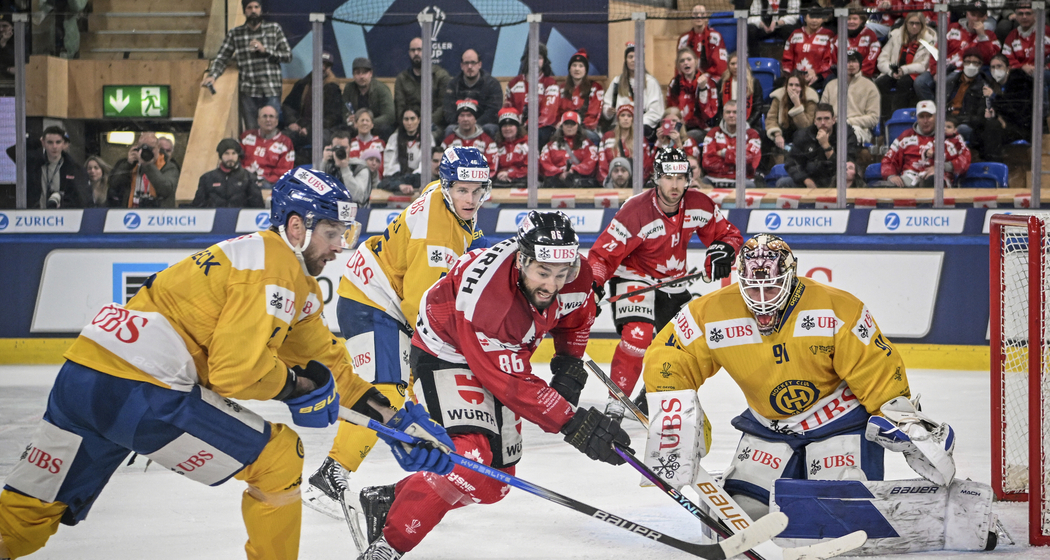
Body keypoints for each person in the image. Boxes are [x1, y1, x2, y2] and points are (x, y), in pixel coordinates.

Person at [0, 167, 455, 560]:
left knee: (24, 518)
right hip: (141, 389)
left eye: (345, 234)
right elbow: (235, 371)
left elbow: (332, 367)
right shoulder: (276, 266)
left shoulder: (276, 270)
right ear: (297, 228)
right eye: (332, 233)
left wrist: (397, 421)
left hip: (85, 374)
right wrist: (294, 388)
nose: (340, 247)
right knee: (280, 458)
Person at [354, 211, 632, 560]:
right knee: (470, 457)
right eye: (542, 273)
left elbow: (577, 318)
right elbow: (509, 383)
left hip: (501, 356)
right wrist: (573, 423)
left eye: (561, 274)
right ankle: (388, 547)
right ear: (522, 258)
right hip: (447, 350)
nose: (551, 284)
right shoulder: (490, 300)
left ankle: (392, 498)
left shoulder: (575, 275)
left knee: (494, 484)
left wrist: (568, 363)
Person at [639, 233, 928, 521]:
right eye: (752, 290)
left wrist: (905, 422)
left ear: (790, 276)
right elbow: (670, 356)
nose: (762, 301)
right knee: (744, 515)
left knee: (841, 515)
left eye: (773, 286)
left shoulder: (837, 308)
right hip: (769, 429)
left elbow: (877, 368)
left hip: (839, 424)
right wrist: (675, 415)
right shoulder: (710, 313)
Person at [301, 146, 491, 521]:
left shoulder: (444, 196)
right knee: (385, 391)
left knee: (398, 393)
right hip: (371, 302)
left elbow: (469, 245)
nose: (471, 199)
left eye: (477, 190)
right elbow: (420, 308)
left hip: (381, 298)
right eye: (463, 191)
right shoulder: (434, 234)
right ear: (450, 186)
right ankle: (328, 477)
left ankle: (339, 473)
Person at [588, 148, 743, 420]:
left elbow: (728, 234)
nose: (675, 184)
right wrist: (595, 283)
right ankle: (616, 401)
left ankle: (653, 394)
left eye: (681, 177)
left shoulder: (699, 204)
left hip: (673, 281)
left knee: (680, 344)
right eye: (669, 177)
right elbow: (602, 254)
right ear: (657, 178)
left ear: (688, 179)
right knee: (638, 335)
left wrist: (724, 250)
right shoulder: (635, 210)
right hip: (634, 277)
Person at [202, 0, 291, 131]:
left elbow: (288, 56)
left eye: (256, 7)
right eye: (249, 7)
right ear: (244, 11)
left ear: (261, 10)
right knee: (251, 131)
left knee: (271, 130)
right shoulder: (235, 33)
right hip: (249, 91)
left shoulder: (274, 29)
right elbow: (221, 58)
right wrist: (212, 76)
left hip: (271, 89)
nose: (253, 11)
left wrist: (265, 50)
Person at [914, 1, 1002, 102]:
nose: (976, 19)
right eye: (973, 15)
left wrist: (982, 36)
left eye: (980, 15)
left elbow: (988, 59)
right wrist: (935, 72)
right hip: (943, 67)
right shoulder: (953, 28)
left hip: (962, 72)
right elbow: (937, 50)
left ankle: (943, 113)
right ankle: (934, 112)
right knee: (920, 82)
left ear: (986, 17)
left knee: (946, 81)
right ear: (967, 14)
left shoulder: (990, 36)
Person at [881, 100, 971, 187]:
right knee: (886, 186)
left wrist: (942, 167)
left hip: (938, 182)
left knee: (934, 180)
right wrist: (891, 176)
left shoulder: (951, 136)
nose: (925, 121)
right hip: (909, 181)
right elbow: (889, 159)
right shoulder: (905, 137)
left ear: (936, 117)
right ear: (917, 118)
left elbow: (965, 158)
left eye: (929, 116)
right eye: (922, 117)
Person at [5, 125, 89, 209]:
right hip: (36, 215)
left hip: (63, 216)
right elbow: (11, 151)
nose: (54, 146)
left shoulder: (73, 168)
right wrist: (36, 141)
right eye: (50, 142)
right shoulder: (34, 163)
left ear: (63, 144)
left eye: (58, 142)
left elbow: (80, 198)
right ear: (43, 143)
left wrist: (63, 204)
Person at [282, 51, 344, 164]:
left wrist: (311, 129)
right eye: (320, 63)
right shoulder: (302, 84)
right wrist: (292, 122)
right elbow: (287, 106)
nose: (323, 68)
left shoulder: (333, 88)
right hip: (300, 126)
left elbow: (333, 118)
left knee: (322, 138)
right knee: (283, 139)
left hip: (321, 129)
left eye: (327, 65)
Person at [780, 103, 859, 188]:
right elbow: (792, 163)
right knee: (783, 183)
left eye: (826, 118)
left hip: (837, 179)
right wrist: (806, 180)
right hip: (810, 179)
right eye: (819, 119)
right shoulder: (803, 135)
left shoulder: (845, 134)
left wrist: (826, 146)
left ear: (833, 120)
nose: (823, 122)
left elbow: (848, 164)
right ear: (814, 121)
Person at [876, 12, 934, 119]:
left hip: (914, 73)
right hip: (894, 71)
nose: (914, 26)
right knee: (880, 83)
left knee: (903, 83)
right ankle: (883, 119)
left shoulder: (929, 40)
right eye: (911, 23)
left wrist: (903, 70)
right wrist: (891, 71)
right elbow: (882, 59)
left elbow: (924, 65)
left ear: (922, 25)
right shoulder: (896, 36)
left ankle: (897, 118)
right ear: (906, 23)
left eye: (918, 23)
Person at [602, 42, 665, 139]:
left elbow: (656, 111)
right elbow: (607, 104)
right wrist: (608, 112)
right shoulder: (617, 81)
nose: (633, 60)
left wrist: (634, 123)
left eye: (637, 57)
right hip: (619, 125)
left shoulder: (651, 82)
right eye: (630, 57)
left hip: (642, 126)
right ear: (626, 60)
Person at [504, 43, 560, 147]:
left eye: (539, 58)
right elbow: (508, 110)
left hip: (542, 129)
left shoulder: (550, 84)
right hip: (516, 128)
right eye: (532, 57)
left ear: (544, 61)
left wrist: (527, 125)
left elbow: (547, 116)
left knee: (536, 135)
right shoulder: (513, 84)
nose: (535, 61)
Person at [820, 51, 881, 145]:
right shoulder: (830, 86)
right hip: (832, 127)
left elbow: (873, 118)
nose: (851, 65)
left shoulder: (870, 86)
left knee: (845, 136)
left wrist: (848, 121)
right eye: (847, 61)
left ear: (860, 64)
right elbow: (822, 111)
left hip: (859, 128)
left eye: (854, 61)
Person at [394, 37, 452, 135]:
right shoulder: (402, 78)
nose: (416, 53)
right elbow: (400, 107)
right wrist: (411, 123)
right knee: (395, 138)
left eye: (420, 50)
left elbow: (444, 106)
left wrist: (423, 123)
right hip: (409, 124)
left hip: (434, 125)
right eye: (413, 50)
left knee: (430, 137)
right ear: (409, 53)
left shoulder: (441, 76)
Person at [442, 49, 504, 138]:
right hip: (459, 125)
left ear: (480, 64)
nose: (470, 66)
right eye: (466, 63)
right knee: (450, 129)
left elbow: (493, 111)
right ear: (461, 65)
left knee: (490, 128)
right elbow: (448, 111)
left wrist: (474, 125)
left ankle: (491, 152)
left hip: (484, 124)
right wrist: (463, 124)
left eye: (473, 63)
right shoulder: (453, 84)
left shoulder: (492, 84)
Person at [108, 132, 180, 208]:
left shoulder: (169, 167)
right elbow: (113, 184)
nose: (147, 152)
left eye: (150, 149)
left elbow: (165, 190)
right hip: (131, 213)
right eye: (143, 148)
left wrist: (148, 165)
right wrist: (128, 164)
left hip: (157, 215)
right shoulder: (130, 165)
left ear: (158, 148)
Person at [701, 102, 763, 187]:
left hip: (742, 180)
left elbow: (750, 160)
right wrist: (736, 157)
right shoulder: (712, 133)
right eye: (728, 112)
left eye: (735, 112)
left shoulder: (752, 135)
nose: (731, 115)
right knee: (703, 183)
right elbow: (707, 162)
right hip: (714, 179)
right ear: (723, 114)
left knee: (749, 185)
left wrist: (723, 153)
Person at [944, 48, 998, 144]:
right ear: (963, 63)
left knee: (962, 129)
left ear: (980, 65)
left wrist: (956, 121)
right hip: (948, 119)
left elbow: (980, 116)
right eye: (967, 62)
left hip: (966, 123)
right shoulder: (951, 81)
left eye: (975, 63)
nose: (971, 65)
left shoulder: (985, 86)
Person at [192, 137, 264, 208]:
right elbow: (197, 207)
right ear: (220, 156)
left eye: (234, 153)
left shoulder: (249, 178)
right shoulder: (207, 178)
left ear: (238, 155)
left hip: (241, 218)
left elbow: (257, 208)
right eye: (226, 153)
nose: (230, 157)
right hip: (215, 218)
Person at [700, 52, 765, 131]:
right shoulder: (722, 82)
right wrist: (725, 124)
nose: (735, 67)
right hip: (726, 123)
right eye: (732, 64)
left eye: (738, 63)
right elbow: (719, 107)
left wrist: (747, 124)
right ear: (728, 66)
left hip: (750, 124)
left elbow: (758, 108)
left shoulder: (754, 83)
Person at [538, 111, 599, 189]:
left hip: (580, 182)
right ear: (562, 126)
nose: (569, 127)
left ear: (578, 126)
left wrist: (573, 170)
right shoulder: (551, 145)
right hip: (556, 181)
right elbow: (544, 162)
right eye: (566, 124)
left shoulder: (588, 144)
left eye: (573, 124)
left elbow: (590, 163)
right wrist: (559, 172)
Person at [780, 9, 837, 92]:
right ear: (805, 18)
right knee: (779, 84)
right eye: (811, 17)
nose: (814, 20)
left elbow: (829, 60)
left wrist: (816, 73)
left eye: (817, 17)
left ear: (823, 18)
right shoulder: (795, 34)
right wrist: (792, 76)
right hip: (796, 75)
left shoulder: (829, 35)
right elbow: (787, 58)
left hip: (819, 76)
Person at [241, 105, 295, 190]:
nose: (268, 120)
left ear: (277, 121)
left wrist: (265, 180)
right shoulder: (246, 136)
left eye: (271, 116)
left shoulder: (286, 143)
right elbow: (237, 160)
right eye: (264, 116)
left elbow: (284, 171)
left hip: (268, 184)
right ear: (258, 120)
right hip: (245, 180)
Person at [343, 57, 396, 141]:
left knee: (386, 129)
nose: (361, 76)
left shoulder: (382, 89)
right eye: (357, 73)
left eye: (365, 72)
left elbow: (389, 116)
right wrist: (349, 119)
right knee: (342, 131)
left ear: (371, 73)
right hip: (355, 127)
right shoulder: (349, 88)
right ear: (353, 75)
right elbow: (344, 111)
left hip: (376, 126)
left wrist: (367, 123)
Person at [765, 72, 819, 154]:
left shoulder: (810, 98)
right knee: (763, 136)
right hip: (783, 130)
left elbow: (806, 126)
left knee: (800, 135)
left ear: (802, 87)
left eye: (797, 85)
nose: (793, 88)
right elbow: (771, 118)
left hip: (801, 133)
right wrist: (777, 134)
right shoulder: (779, 96)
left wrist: (797, 105)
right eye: (790, 85)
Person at [597, 104, 652, 184]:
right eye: (622, 115)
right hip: (612, 184)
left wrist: (639, 182)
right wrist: (607, 182)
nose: (626, 118)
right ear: (618, 118)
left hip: (634, 184)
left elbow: (646, 165)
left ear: (633, 119)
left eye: (629, 116)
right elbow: (602, 164)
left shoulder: (640, 139)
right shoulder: (608, 137)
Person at [677, 5, 729, 87]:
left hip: (711, 77)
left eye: (702, 14)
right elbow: (679, 65)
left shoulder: (715, 37)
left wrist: (706, 75)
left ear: (706, 18)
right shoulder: (684, 39)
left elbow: (720, 65)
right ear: (691, 17)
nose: (698, 16)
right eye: (695, 14)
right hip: (690, 77)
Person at [559, 49, 604, 143]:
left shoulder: (595, 88)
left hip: (586, 129)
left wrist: (577, 127)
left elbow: (594, 115)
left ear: (586, 70)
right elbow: (557, 112)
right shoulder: (561, 88)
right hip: (564, 127)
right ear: (569, 69)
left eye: (581, 66)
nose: (577, 69)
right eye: (574, 65)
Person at [440, 99, 497, 171]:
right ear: (458, 119)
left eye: (469, 115)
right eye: (462, 115)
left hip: (479, 181)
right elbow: (442, 166)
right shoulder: (448, 142)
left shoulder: (487, 142)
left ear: (475, 119)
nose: (465, 119)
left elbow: (492, 168)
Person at [666, 48, 710, 141]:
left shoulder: (707, 82)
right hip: (678, 126)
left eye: (689, 59)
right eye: (682, 61)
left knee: (687, 138)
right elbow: (670, 108)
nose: (686, 63)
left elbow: (707, 114)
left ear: (696, 61)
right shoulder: (674, 83)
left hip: (700, 127)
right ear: (678, 65)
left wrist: (703, 89)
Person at [380, 108, 423, 195]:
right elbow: (388, 168)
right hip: (398, 178)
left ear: (419, 120)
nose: (409, 123)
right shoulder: (394, 138)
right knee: (383, 183)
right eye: (406, 119)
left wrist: (412, 177)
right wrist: (400, 184)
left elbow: (426, 166)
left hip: (418, 178)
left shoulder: (427, 138)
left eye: (412, 119)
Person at [324, 130, 372, 206]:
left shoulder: (360, 167)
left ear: (350, 147)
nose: (340, 151)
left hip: (358, 213)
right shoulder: (328, 166)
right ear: (331, 148)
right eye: (337, 148)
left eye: (344, 148)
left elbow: (357, 197)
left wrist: (345, 169)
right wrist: (323, 163)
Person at [493, 107, 529, 188]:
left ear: (517, 127)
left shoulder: (527, 144)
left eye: (511, 125)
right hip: (501, 181)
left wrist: (511, 174)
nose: (507, 129)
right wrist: (501, 173)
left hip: (522, 181)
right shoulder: (496, 146)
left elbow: (532, 169)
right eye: (504, 126)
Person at [348, 109, 386, 177]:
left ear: (372, 125)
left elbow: (383, 167)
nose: (364, 123)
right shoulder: (350, 143)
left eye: (367, 120)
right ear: (356, 124)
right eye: (362, 120)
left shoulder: (380, 143)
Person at [845, 6, 881, 79]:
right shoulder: (839, 36)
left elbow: (871, 59)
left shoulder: (870, 35)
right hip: (843, 74)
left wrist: (858, 73)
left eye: (855, 19)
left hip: (864, 74)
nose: (851, 21)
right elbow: (834, 59)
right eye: (848, 19)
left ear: (861, 20)